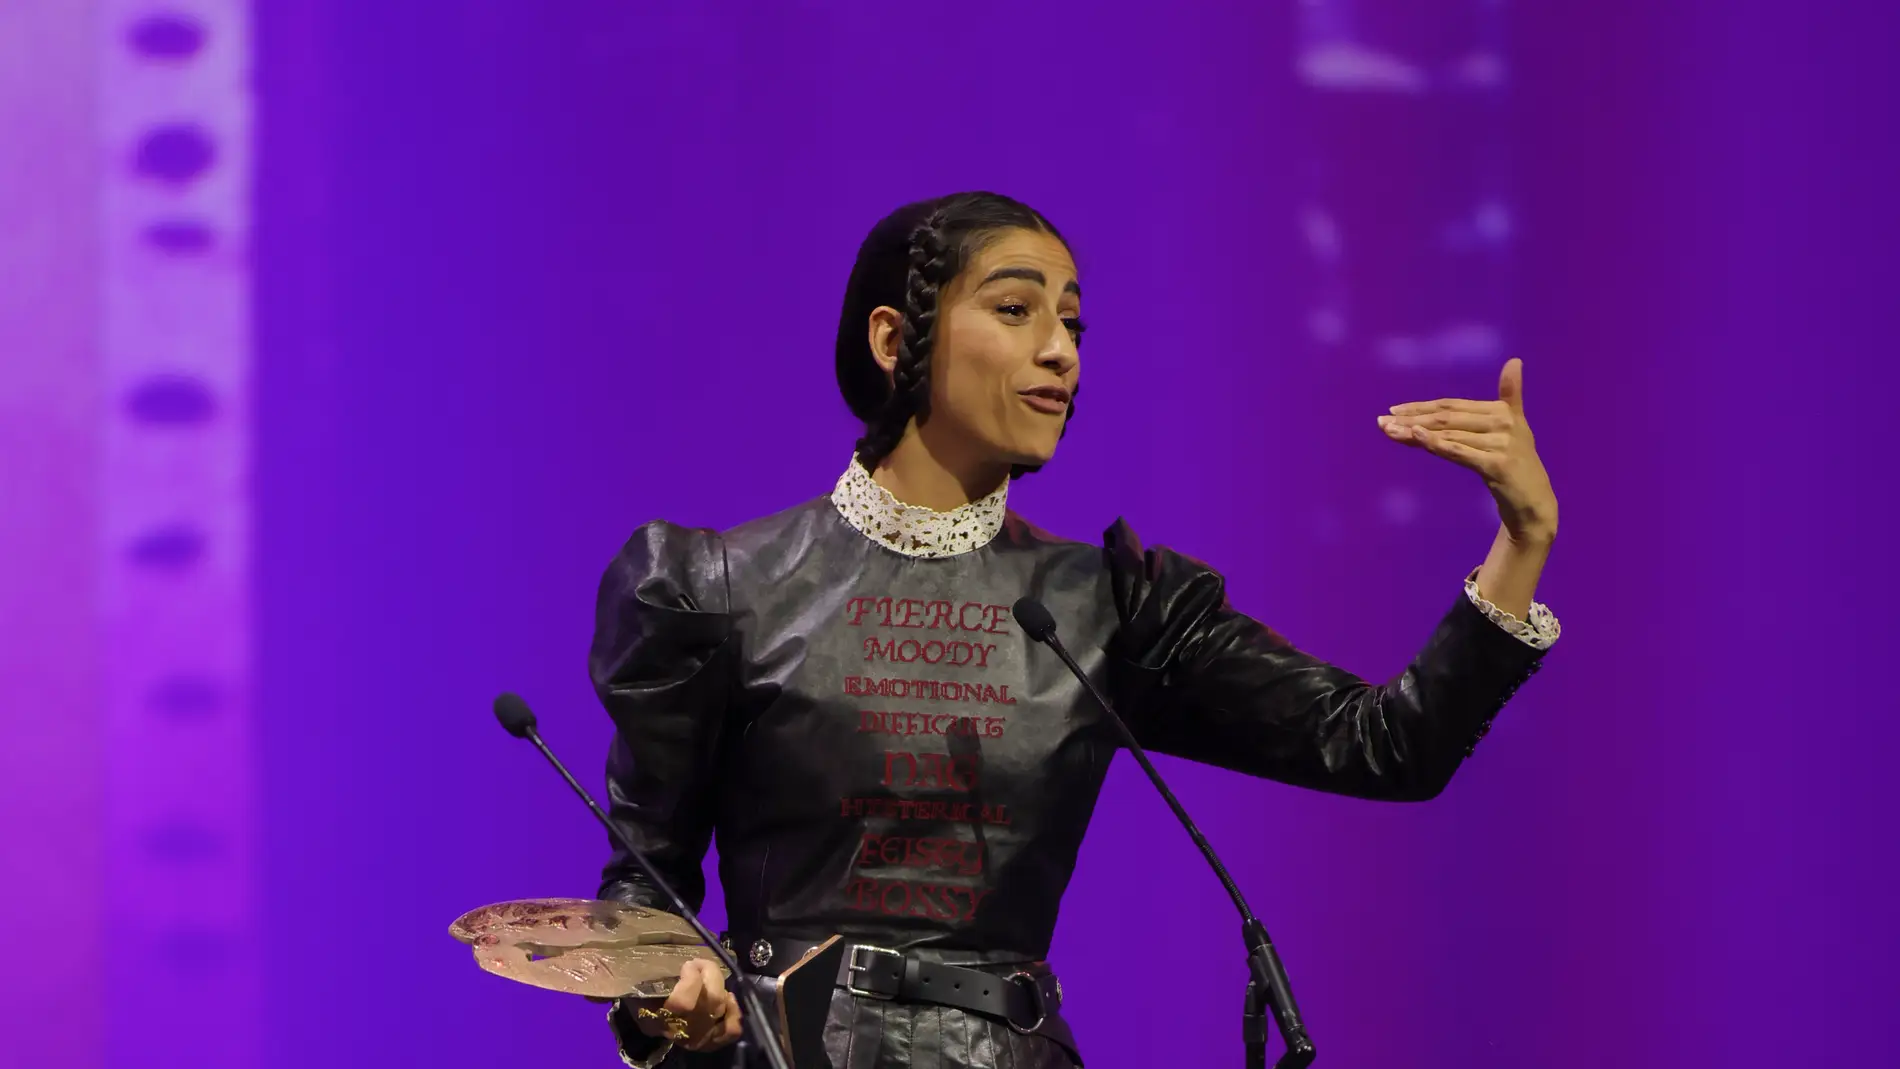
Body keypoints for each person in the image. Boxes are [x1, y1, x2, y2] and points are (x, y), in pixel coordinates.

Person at [590, 192, 1560, 1068]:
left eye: (1072, 322)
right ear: (895, 340)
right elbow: (645, 885)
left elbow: (1385, 747)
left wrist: (1521, 541)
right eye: (1015, 311)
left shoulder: (1106, 606)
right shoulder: (723, 588)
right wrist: (664, 1001)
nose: (1060, 349)